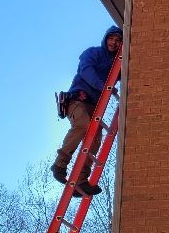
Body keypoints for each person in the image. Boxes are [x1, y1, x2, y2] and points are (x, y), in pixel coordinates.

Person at [51, 26, 123, 196]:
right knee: (82, 125)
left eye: (118, 40)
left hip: (94, 106)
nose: (114, 42)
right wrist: (104, 86)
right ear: (106, 38)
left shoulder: (116, 65)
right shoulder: (93, 53)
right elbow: (86, 70)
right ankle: (60, 164)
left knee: (96, 139)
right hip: (77, 100)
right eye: (111, 38)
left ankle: (81, 180)